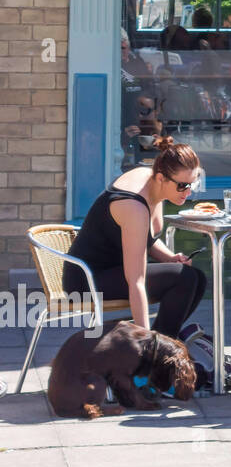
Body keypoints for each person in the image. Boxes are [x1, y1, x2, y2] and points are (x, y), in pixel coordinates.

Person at [65, 138, 208, 339]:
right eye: (182, 185)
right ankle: (152, 350)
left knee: (197, 278)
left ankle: (163, 344)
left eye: (193, 184)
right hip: (86, 279)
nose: (188, 192)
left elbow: (146, 239)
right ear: (161, 178)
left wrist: (170, 257)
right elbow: (136, 282)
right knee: (184, 278)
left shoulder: (152, 182)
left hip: (112, 270)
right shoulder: (134, 207)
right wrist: (144, 336)